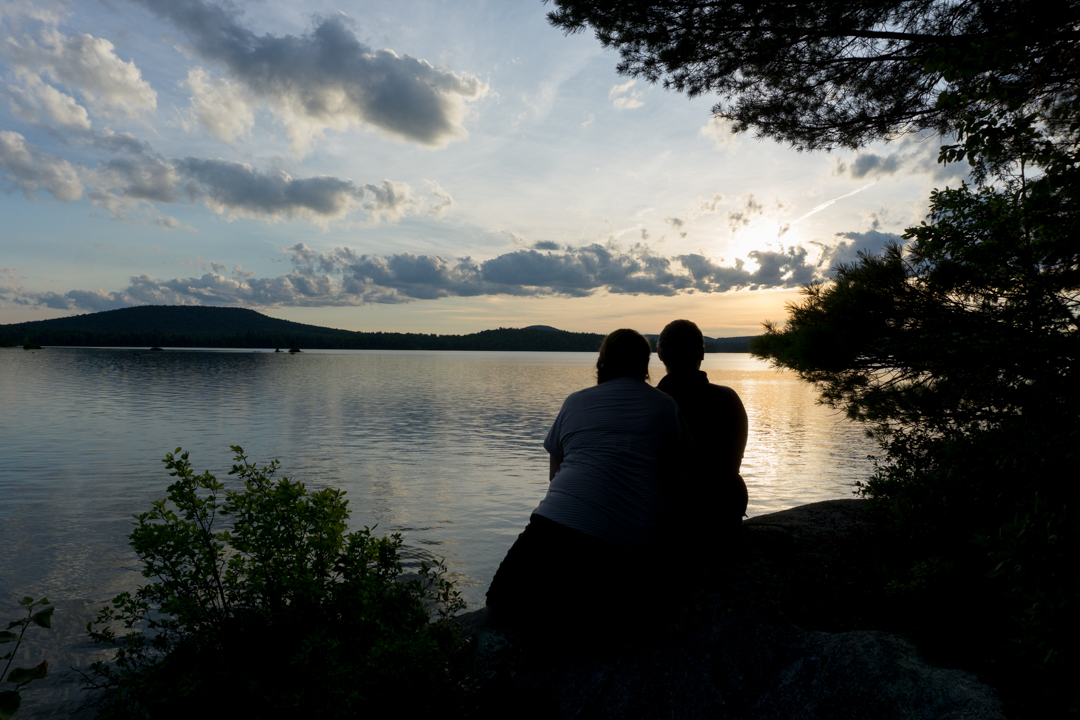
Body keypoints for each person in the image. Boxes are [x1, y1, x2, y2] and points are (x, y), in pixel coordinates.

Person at [485, 328, 692, 638]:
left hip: (552, 527)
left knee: (499, 603)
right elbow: (678, 484)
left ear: (602, 362)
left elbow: (555, 477)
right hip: (627, 542)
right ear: (645, 364)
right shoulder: (664, 406)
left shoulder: (575, 402)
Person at [656, 319, 749, 537]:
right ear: (702, 353)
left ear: (659, 353)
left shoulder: (651, 403)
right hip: (725, 510)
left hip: (673, 517)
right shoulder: (729, 398)